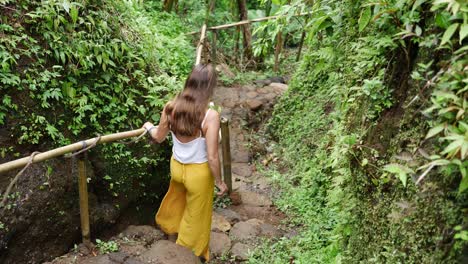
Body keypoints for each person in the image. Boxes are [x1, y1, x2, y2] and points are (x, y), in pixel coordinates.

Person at [142, 64, 228, 261]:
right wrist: (219, 182)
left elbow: (159, 136)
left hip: (177, 168)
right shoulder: (210, 115)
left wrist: (148, 127)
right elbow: (213, 156)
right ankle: (183, 255)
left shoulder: (171, 107)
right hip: (198, 174)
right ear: (208, 88)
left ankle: (171, 233)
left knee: (177, 201)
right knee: (196, 217)